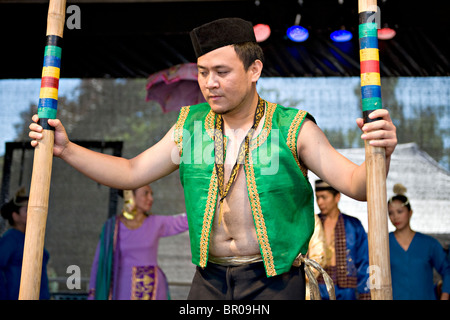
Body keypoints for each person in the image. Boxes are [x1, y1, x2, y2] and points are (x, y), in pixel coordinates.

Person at [29, 17, 397, 300]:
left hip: (275, 285)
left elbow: (356, 185)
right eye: (203, 73)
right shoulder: (189, 127)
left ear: (254, 70)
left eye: (222, 72)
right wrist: (66, 148)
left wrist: (381, 155)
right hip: (209, 283)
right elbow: (131, 171)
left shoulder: (293, 127)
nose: (210, 83)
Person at [88, 184, 188, 300]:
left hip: (153, 290)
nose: (151, 198)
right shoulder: (113, 227)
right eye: (146, 194)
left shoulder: (156, 223)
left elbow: (187, 220)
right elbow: (98, 263)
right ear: (130, 196)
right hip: (122, 289)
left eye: (151, 194)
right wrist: (92, 294)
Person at [388, 183, 450, 300]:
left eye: (400, 211)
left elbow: (447, 270)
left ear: (410, 212)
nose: (395, 217)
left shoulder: (429, 244)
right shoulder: (383, 244)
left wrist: (445, 295)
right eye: (390, 213)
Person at [315, 179, 371, 300]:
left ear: (337, 197)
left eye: (324, 197)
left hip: (347, 290)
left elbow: (364, 262)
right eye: (317, 197)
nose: (320, 202)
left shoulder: (353, 225)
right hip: (319, 287)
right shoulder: (313, 224)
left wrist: (365, 294)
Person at [0, 187, 50, 300]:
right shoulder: (10, 239)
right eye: (27, 210)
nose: (33, 213)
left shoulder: (33, 238)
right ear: (15, 216)